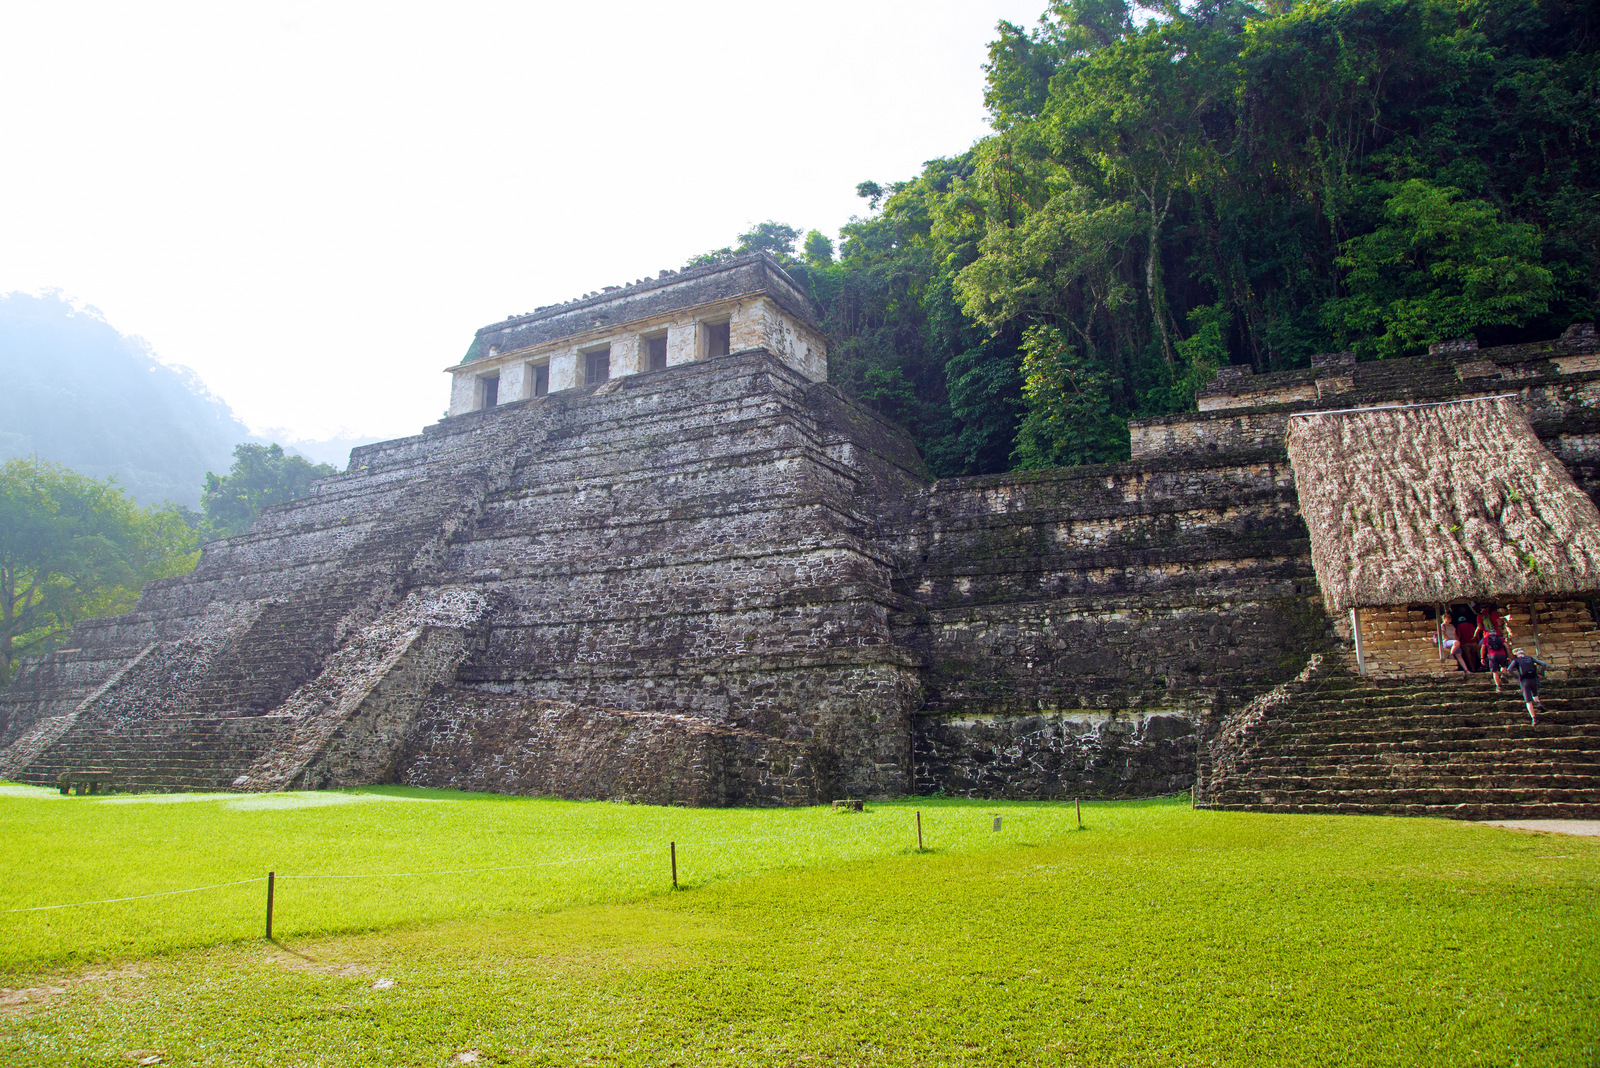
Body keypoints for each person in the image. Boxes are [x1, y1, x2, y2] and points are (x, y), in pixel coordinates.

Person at [1507, 648, 1547, 724]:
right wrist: (1541, 674)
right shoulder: (1531, 658)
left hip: (1524, 681)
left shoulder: (1516, 660)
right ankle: (1538, 703)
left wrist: (1516, 677)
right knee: (1535, 693)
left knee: (1528, 701)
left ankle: (1534, 718)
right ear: (1524, 654)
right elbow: (1543, 664)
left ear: (1517, 655)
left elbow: (1509, 669)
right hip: (1534, 679)